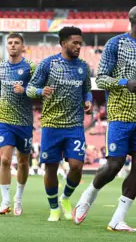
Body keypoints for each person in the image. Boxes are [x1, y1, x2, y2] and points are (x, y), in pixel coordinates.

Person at [73, 5, 136, 233]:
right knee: (114, 165)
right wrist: (125, 83)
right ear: (135, 18)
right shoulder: (116, 44)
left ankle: (118, 219)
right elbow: (101, 79)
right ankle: (87, 197)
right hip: (120, 114)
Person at [27, 26, 93, 221]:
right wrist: (40, 92)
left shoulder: (83, 67)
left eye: (80, 43)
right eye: (75, 43)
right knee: (51, 168)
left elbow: (87, 89)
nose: (79, 47)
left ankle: (65, 198)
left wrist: (88, 100)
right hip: (51, 125)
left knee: (76, 165)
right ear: (63, 43)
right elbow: (30, 88)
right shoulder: (48, 64)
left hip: (75, 125)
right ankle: (54, 208)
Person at [0, 33, 36, 216]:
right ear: (7, 47)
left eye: (16, 43)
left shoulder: (30, 67)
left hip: (25, 122)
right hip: (5, 120)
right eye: (10, 43)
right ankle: (5, 201)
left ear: (23, 47)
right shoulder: (0, 67)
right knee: (5, 159)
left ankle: (18, 199)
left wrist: (25, 90)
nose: (13, 45)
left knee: (23, 162)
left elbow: (37, 91)